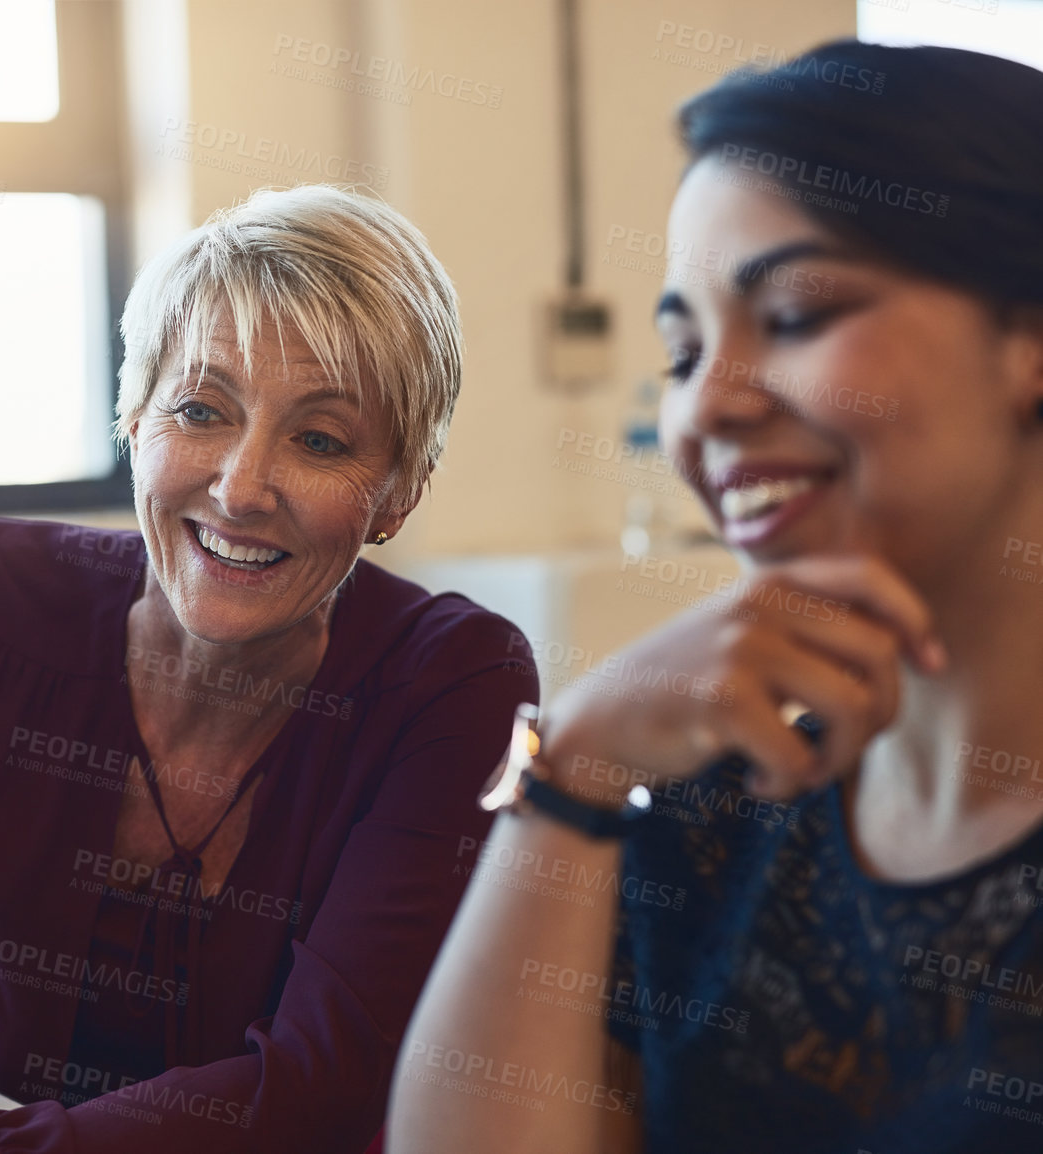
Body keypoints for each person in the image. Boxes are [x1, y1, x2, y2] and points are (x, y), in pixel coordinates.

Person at [389, 39, 1043, 1154]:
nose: (701, 413)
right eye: (684, 353)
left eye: (792, 314)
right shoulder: (704, 822)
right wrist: (574, 765)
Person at [0, 184, 538, 1153]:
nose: (240, 487)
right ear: (134, 419)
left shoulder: (459, 679)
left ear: (398, 492)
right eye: (200, 408)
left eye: (320, 439)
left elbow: (321, 1086)